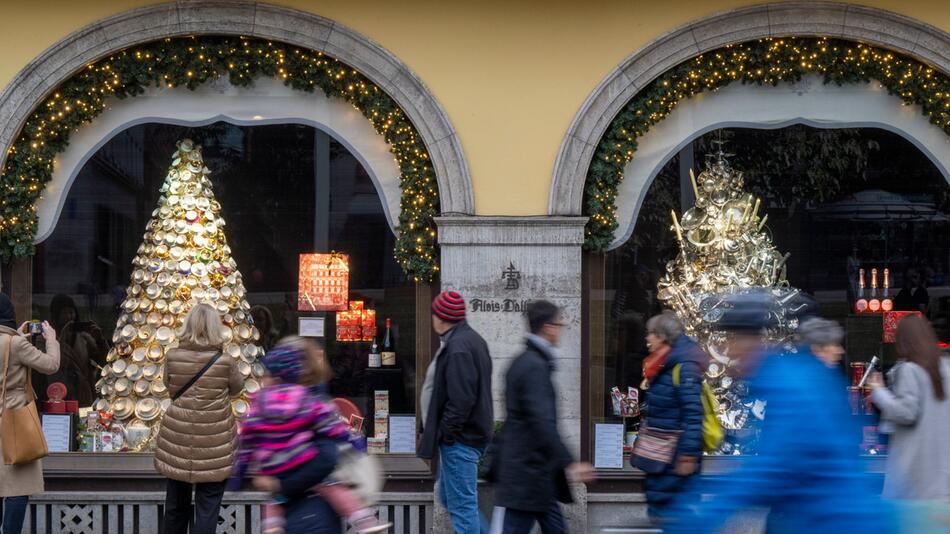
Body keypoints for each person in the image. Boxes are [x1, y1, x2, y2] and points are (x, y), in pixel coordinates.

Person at [662, 292, 896, 533]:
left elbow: (773, 469)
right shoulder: (800, 375)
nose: (728, 352)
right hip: (824, 515)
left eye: (731, 341)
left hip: (831, 520)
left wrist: (699, 520)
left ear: (749, 341)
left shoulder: (788, 384)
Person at [231, 342, 389, 534]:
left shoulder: (259, 401)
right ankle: (364, 520)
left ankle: (272, 524)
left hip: (273, 466)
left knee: (274, 499)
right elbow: (329, 444)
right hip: (304, 477)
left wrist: (240, 471)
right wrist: (354, 441)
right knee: (332, 487)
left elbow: (247, 436)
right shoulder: (307, 399)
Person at [493, 300, 594, 533]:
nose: (560, 330)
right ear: (548, 327)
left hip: (537, 475)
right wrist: (570, 462)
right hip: (526, 476)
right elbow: (542, 422)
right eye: (559, 324)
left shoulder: (529, 361)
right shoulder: (533, 366)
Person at [154, 303, 242, 534]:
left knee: (175, 506)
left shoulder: (172, 356)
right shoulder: (225, 362)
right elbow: (237, 390)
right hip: (215, 442)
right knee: (208, 508)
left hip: (179, 439)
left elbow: (169, 386)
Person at [419, 291, 493, 534]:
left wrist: (446, 434)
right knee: (450, 500)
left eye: (434, 314)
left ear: (441, 318)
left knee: (462, 507)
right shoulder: (471, 340)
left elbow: (462, 400)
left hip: (460, 441)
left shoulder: (459, 347)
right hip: (461, 439)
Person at [869, 316, 950, 500]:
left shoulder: (910, 370)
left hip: (916, 478)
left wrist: (879, 391)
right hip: (943, 479)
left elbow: (906, 412)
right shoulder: (946, 367)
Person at [635, 311, 706, 522]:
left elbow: (694, 414)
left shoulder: (683, 367)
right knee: (664, 514)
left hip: (675, 460)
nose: (647, 339)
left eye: (650, 334)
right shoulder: (662, 364)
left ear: (663, 336)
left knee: (675, 516)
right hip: (661, 457)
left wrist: (687, 455)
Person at [0, 294, 60, 534]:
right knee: (17, 487)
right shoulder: (14, 344)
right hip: (14, 420)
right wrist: (51, 340)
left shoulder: (12, 343)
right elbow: (51, 365)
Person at [47, 294, 108, 406]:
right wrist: (61, 338)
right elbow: (53, 363)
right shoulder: (47, 338)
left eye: (71, 312)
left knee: (85, 422)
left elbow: (103, 361)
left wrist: (100, 340)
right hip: (58, 392)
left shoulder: (84, 338)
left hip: (84, 394)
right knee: (62, 421)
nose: (69, 317)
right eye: (64, 313)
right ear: (56, 315)